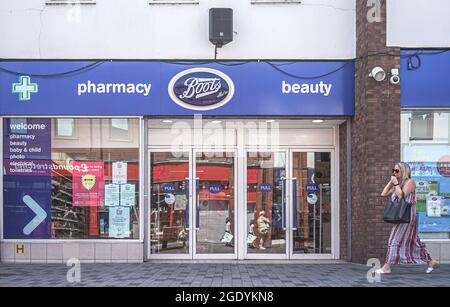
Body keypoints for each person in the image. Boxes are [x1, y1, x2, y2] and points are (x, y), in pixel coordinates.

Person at [377, 162, 439, 274]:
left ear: (404, 171)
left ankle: (387, 267)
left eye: (397, 171)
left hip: (408, 216)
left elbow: (401, 196)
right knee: (414, 241)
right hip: (401, 216)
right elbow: (383, 193)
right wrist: (391, 182)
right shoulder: (399, 184)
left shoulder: (410, 182)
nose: (394, 173)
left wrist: (396, 184)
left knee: (394, 240)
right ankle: (430, 261)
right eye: (393, 170)